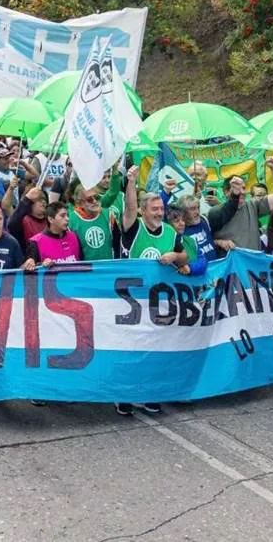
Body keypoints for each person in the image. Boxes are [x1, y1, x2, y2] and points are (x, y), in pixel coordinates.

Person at [116, 166, 187, 416]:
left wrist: (175, 255)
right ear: (144, 212)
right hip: (130, 302)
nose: (159, 212)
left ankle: (149, 394)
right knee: (129, 349)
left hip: (158, 302)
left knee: (154, 349)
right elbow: (129, 209)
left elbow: (185, 256)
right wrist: (131, 181)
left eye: (161, 209)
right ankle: (124, 394)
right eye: (154, 209)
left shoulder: (169, 232)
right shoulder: (133, 227)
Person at [208, 158, 273, 254]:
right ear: (226, 192)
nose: (241, 192)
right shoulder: (215, 212)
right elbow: (206, 241)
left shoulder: (252, 205)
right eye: (236, 188)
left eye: (243, 188)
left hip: (254, 265)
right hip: (232, 267)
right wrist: (218, 242)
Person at [66, 181, 117, 261]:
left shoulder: (109, 215)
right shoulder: (71, 221)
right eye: (89, 199)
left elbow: (118, 243)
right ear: (80, 203)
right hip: (86, 270)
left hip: (108, 268)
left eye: (97, 197)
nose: (94, 201)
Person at [166, 208, 209, 274]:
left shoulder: (189, 240)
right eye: (177, 221)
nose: (182, 223)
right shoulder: (163, 242)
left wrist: (190, 268)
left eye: (183, 220)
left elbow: (203, 260)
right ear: (167, 225)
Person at [7, 183, 48, 249]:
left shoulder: (50, 219)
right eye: (39, 199)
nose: (43, 202)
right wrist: (27, 199)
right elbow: (12, 225)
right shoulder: (23, 220)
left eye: (44, 199)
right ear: (30, 202)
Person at [178, 195, 218, 262]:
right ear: (182, 212)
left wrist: (220, 242)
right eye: (193, 209)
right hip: (198, 270)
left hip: (217, 267)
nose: (197, 212)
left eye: (198, 208)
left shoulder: (204, 220)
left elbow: (210, 241)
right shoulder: (178, 231)